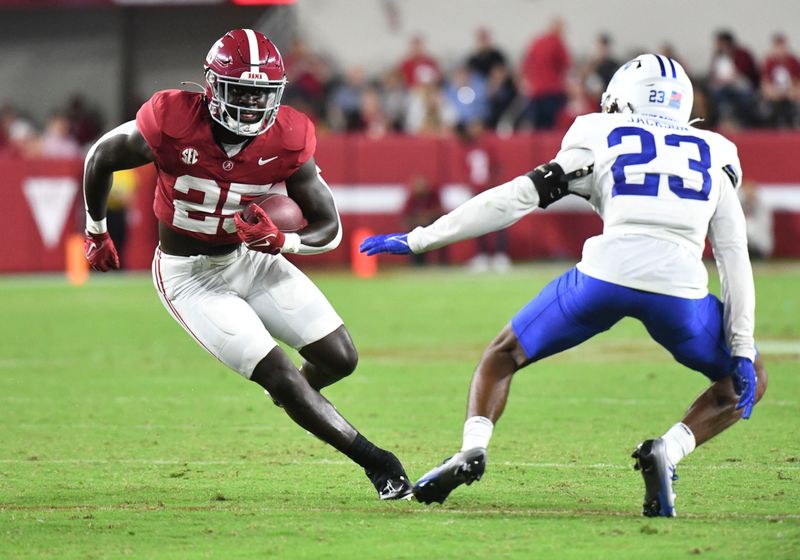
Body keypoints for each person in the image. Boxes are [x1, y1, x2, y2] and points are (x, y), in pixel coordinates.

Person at [360, 54, 767, 516]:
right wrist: (741, 347)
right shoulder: (716, 152)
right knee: (745, 381)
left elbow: (514, 197)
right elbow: (734, 256)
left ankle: (472, 449)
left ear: (622, 99)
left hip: (603, 276)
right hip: (681, 290)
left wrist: (419, 239)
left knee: (502, 355)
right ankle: (667, 452)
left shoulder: (598, 133)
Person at [82, 29, 412, 501]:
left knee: (340, 358)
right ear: (212, 86)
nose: (252, 104)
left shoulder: (289, 136)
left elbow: (329, 225)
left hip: (250, 259)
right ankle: (378, 464)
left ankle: (291, 395)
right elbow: (101, 157)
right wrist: (96, 230)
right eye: (240, 91)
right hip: (190, 275)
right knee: (279, 371)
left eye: (262, 93)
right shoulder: (172, 119)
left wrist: (284, 241)